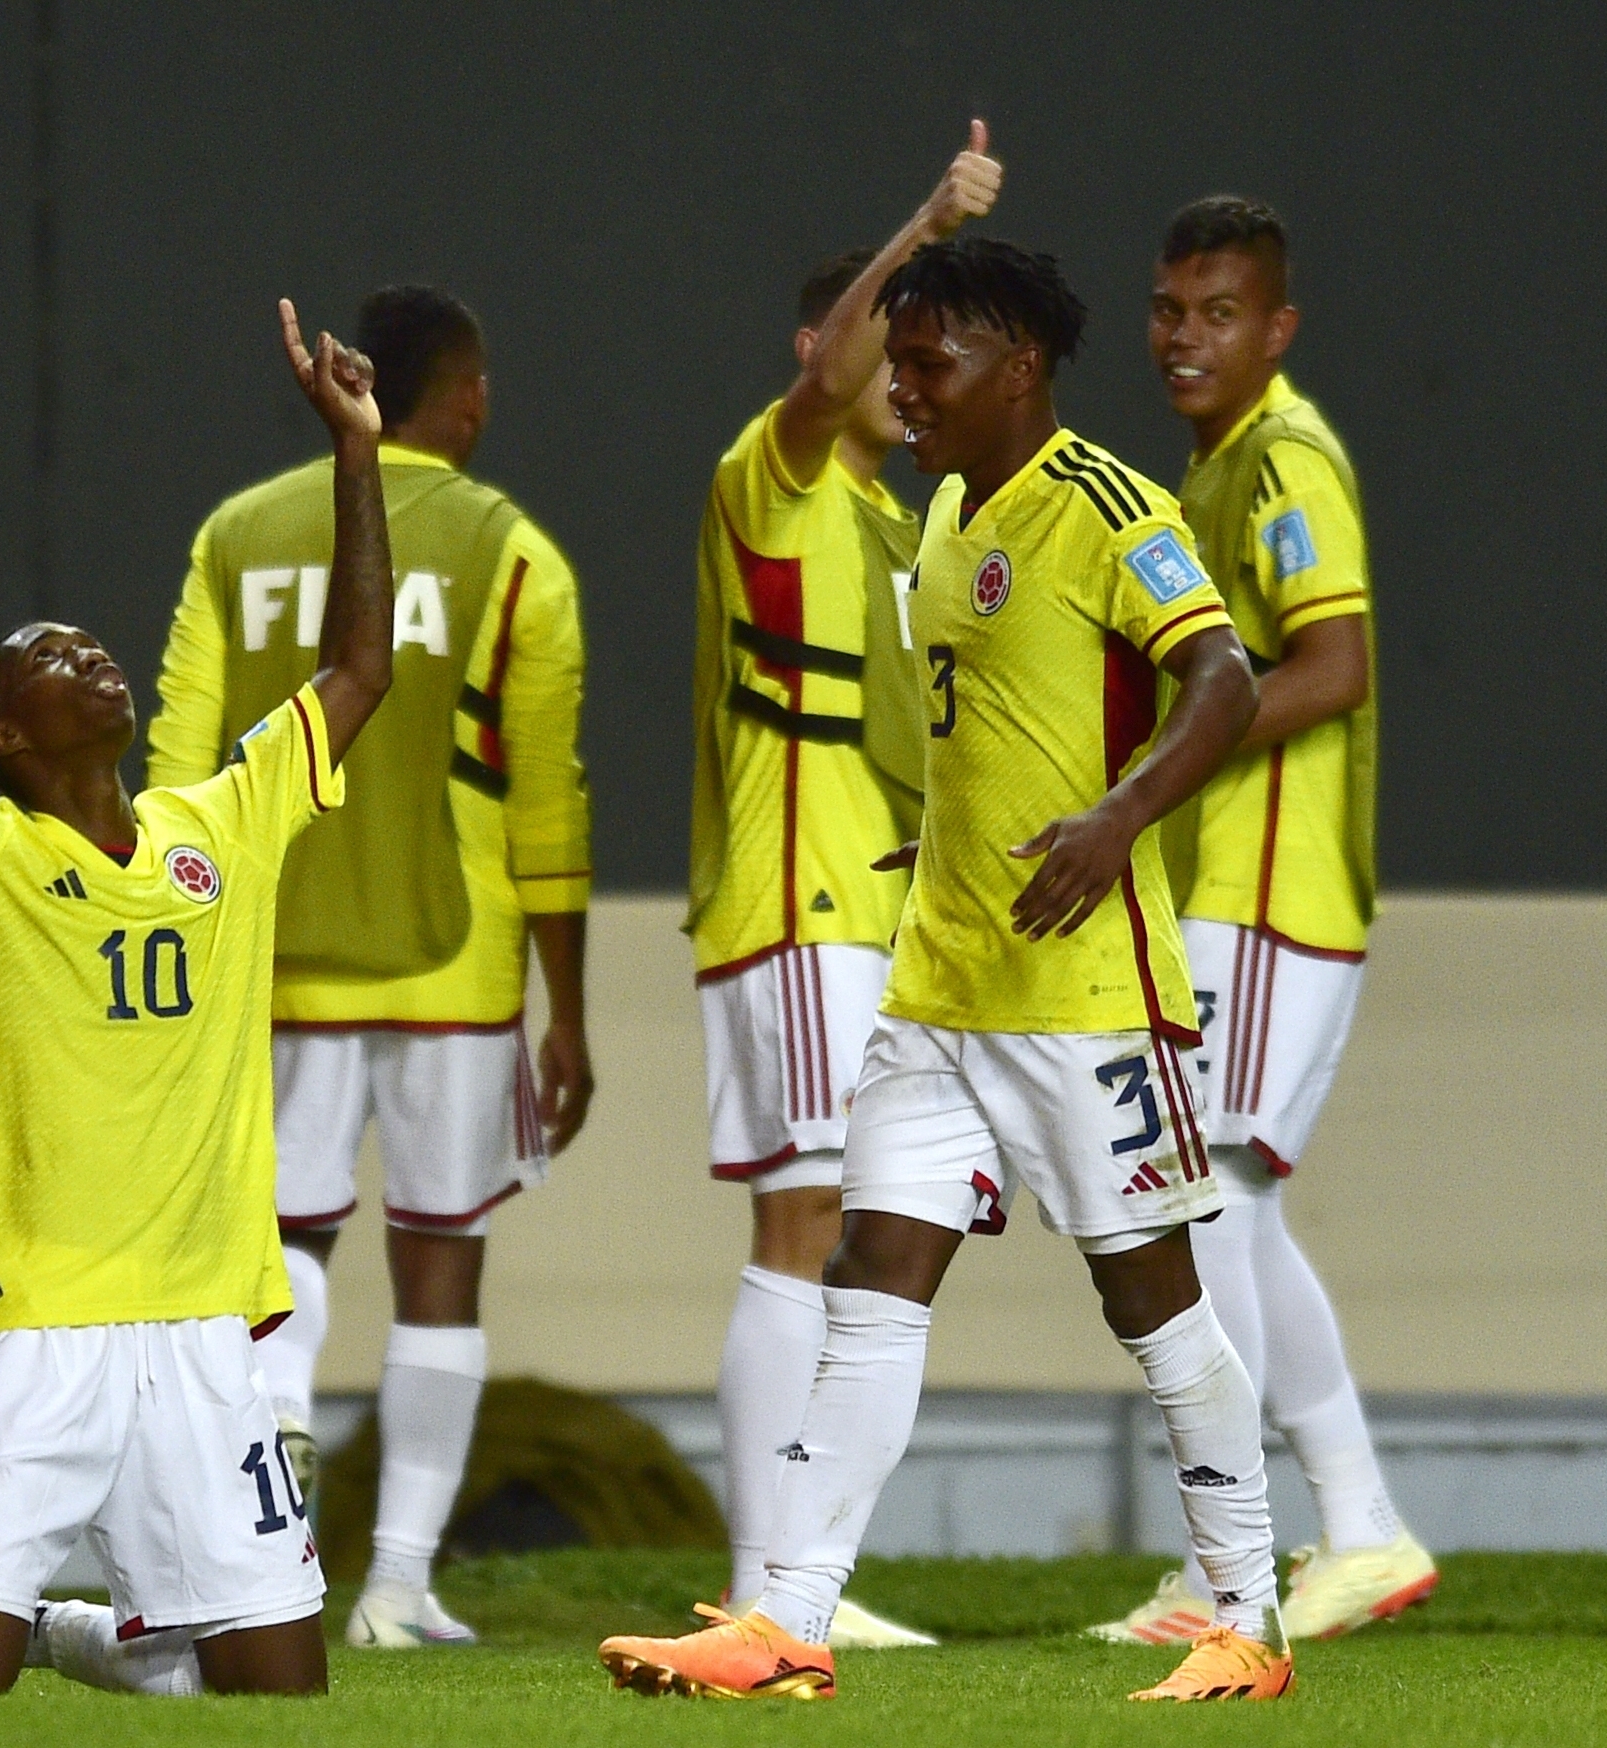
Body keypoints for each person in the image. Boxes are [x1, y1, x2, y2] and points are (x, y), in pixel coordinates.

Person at [598, 236, 1289, 1704]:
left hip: (1083, 991)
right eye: (895, 364)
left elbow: (1223, 677)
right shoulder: (943, 516)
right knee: (873, 1272)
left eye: (930, 364)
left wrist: (1119, 817)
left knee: (1153, 1299)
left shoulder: (1109, 503)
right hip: (940, 985)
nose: (902, 391)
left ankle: (1250, 1618)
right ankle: (787, 1617)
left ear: (1019, 363)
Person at [0, 293, 389, 1697]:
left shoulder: (223, 820)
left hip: (209, 1328)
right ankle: (23, 1626)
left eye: (93, 644)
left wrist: (356, 452)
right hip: (37, 1328)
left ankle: (88, 1638)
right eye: (48, 656)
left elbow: (359, 670)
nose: (88, 655)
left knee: (282, 1694)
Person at [146, 284, 595, 1648]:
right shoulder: (512, 549)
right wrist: (567, 1008)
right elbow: (547, 800)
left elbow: (177, 760)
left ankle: (271, 1565)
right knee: (442, 1265)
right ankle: (398, 1589)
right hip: (453, 969)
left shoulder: (238, 534)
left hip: (273, 961)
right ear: (455, 396)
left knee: (281, 1260)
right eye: (483, 385)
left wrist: (172, 951)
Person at [1087, 196, 1433, 1646]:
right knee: (1229, 1198)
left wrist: (1167, 765)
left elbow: (1336, 663)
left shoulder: (1285, 457)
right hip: (1229, 888)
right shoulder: (1219, 465)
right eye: (1170, 308)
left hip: (1271, 892)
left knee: (1205, 1193)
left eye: (1218, 312)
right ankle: (1349, 1531)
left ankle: (1261, 1554)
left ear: (1276, 328)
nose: (1185, 336)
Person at [690, 122, 999, 1649]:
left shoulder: (906, 520)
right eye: (894, 337)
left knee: (861, 1228)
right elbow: (820, 387)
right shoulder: (781, 472)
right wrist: (929, 217)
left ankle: (798, 1573)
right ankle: (764, 1583)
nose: (906, 370)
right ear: (832, 342)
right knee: (800, 1223)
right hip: (798, 903)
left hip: (878, 918)